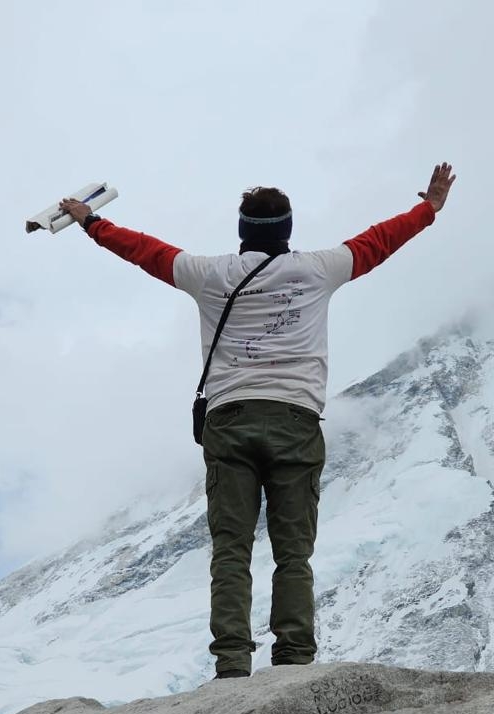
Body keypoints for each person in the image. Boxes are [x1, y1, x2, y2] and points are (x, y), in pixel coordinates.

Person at [59, 162, 456, 679]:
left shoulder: (209, 274)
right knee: (294, 553)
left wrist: (92, 222)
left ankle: (231, 663)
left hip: (231, 419)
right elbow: (380, 241)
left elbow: (146, 251)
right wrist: (428, 209)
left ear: (242, 230)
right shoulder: (320, 268)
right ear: (288, 230)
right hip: (296, 419)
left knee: (232, 549)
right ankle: (293, 659)